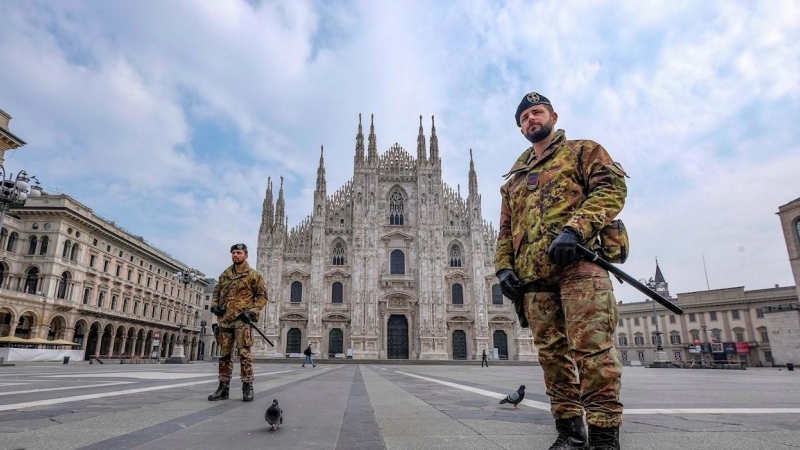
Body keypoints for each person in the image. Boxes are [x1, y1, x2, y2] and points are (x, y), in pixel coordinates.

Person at [495, 92, 628, 450]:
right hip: (534, 281)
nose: (530, 120)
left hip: (579, 268)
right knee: (552, 359)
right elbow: (505, 230)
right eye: (524, 117)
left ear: (553, 115)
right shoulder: (514, 180)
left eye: (536, 113)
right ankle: (570, 433)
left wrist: (576, 229)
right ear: (520, 126)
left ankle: (603, 438)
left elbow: (611, 189)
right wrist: (503, 268)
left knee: (592, 352)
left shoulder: (584, 151)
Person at [208, 243, 268, 402]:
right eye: (233, 253)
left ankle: (247, 387)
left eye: (239, 253)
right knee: (224, 355)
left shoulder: (253, 276)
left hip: (242, 321)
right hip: (226, 321)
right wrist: (215, 308)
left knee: (244, 355)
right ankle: (223, 388)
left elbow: (262, 297)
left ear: (246, 255)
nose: (235, 255)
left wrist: (252, 311)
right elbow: (216, 293)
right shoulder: (225, 275)